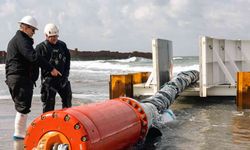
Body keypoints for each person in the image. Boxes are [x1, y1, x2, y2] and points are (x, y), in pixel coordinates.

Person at [5, 16, 61, 149]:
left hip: (17, 78)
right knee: (23, 108)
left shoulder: (21, 40)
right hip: (19, 78)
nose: (34, 32)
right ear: (25, 27)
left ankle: (19, 138)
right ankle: (19, 140)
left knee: (22, 108)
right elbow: (33, 56)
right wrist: (51, 68)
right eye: (32, 29)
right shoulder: (21, 40)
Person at [36, 23, 72, 113]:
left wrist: (66, 76)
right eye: (52, 36)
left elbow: (67, 60)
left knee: (68, 102)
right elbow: (37, 63)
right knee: (49, 106)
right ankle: (47, 125)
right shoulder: (40, 47)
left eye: (56, 36)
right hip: (49, 81)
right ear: (46, 35)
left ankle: (66, 124)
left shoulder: (62, 45)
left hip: (62, 79)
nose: (54, 38)